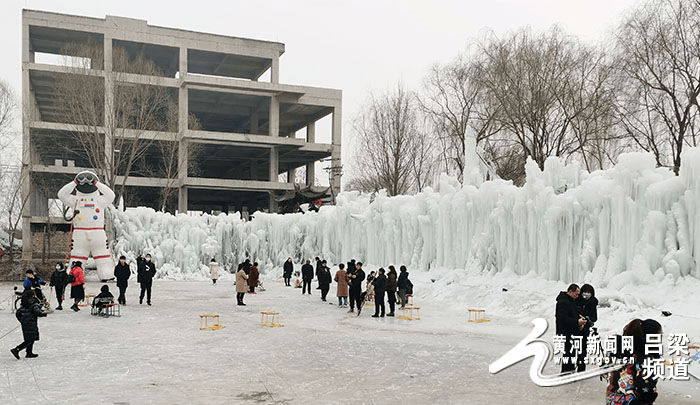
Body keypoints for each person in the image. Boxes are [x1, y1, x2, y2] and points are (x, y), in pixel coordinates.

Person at [606, 318, 662, 404]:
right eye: (659, 336)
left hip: (614, 399)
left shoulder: (618, 349)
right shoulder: (646, 357)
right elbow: (645, 388)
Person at [555, 283, 586, 374]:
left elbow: (571, 314)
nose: (577, 296)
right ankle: (566, 373)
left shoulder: (571, 300)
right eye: (576, 294)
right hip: (565, 332)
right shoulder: (563, 302)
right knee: (568, 354)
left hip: (571, 332)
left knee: (571, 353)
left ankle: (569, 372)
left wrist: (579, 316)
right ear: (570, 292)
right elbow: (563, 318)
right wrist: (577, 321)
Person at [10, 289, 47, 359]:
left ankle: (29, 352)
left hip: (25, 323)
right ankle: (17, 349)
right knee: (30, 339)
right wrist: (43, 314)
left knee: (30, 338)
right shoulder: (34, 303)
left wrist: (21, 320)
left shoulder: (24, 303)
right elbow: (37, 312)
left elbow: (18, 313)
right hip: (31, 323)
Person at [575, 283, 598, 371]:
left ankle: (581, 368)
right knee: (572, 349)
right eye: (584, 292)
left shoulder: (593, 303)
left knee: (583, 349)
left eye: (588, 292)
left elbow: (594, 318)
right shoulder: (577, 301)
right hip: (575, 327)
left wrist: (587, 320)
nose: (586, 294)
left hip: (585, 330)